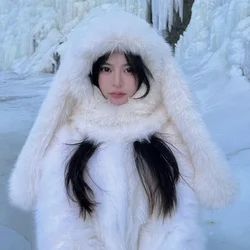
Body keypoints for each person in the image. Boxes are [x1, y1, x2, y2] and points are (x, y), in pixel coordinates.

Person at [8, 8, 236, 250]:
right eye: (106, 69)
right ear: (90, 72)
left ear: (146, 72)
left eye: (128, 69)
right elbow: (60, 226)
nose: (117, 82)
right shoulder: (68, 143)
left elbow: (177, 225)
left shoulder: (168, 142)